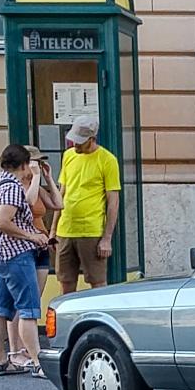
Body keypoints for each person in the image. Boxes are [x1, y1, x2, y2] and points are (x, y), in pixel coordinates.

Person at [0, 144, 50, 378]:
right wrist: (32, 235)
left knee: (0, 310)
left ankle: (0, 361)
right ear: (23, 165)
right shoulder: (12, 187)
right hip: (16, 256)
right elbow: (3, 222)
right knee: (28, 311)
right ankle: (37, 362)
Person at [6, 146, 62, 371]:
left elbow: (58, 203)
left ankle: (27, 347)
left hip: (40, 245)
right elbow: (27, 203)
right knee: (22, 302)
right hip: (23, 247)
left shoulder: (37, 185)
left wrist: (48, 178)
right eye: (35, 162)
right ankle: (16, 349)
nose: (37, 166)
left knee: (32, 299)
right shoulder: (16, 186)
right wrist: (36, 176)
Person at [53, 116, 121, 294]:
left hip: (90, 230)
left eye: (80, 142)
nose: (75, 145)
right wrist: (53, 230)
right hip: (66, 229)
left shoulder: (107, 160)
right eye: (74, 139)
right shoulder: (68, 156)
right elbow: (62, 193)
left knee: (97, 284)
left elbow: (113, 201)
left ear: (92, 139)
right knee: (66, 282)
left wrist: (106, 238)